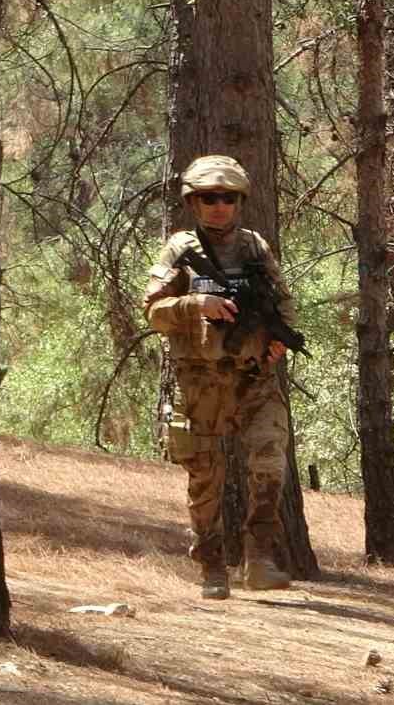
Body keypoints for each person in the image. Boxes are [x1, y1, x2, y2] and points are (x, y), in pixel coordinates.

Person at [142, 155, 298, 599]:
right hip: (202, 383)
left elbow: (282, 304)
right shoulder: (180, 250)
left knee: (270, 462)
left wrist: (277, 340)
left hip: (255, 379)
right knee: (205, 479)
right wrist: (195, 306)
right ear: (194, 202)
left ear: (239, 201)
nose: (218, 206)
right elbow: (152, 312)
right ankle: (212, 565)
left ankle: (260, 557)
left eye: (226, 198)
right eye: (208, 198)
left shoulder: (255, 248)